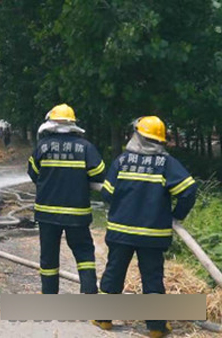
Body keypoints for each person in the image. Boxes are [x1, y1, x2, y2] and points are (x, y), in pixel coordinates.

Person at [93, 116, 197, 338]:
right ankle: (156, 327)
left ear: (137, 135)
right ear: (159, 140)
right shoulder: (167, 164)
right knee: (152, 277)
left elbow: (107, 193)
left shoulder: (122, 160)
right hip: (153, 234)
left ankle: (104, 319)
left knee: (114, 272)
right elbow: (188, 190)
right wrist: (176, 215)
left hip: (121, 231)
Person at [27, 103, 105, 294]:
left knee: (49, 257)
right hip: (76, 213)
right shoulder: (85, 147)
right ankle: (88, 294)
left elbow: (33, 173)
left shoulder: (42, 146)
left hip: (47, 214)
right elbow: (99, 173)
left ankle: (49, 296)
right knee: (84, 253)